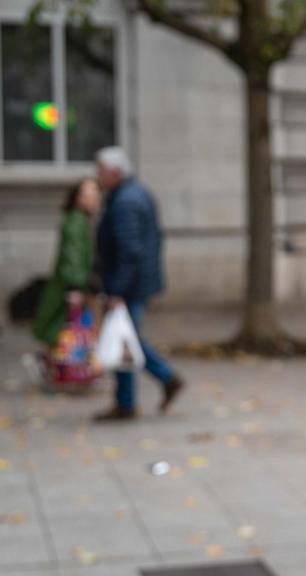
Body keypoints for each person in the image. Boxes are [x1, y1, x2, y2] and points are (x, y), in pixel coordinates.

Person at [93, 146, 185, 421]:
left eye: (100, 170)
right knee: (125, 339)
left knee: (125, 340)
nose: (97, 176)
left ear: (114, 172)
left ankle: (153, 386)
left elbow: (129, 250)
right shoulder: (132, 194)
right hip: (135, 281)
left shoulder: (125, 202)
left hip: (129, 284)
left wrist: (117, 290)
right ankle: (130, 399)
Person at [32, 179, 101, 349]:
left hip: (71, 286)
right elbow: (72, 257)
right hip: (68, 289)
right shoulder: (75, 222)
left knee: (67, 336)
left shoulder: (79, 220)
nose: (94, 199)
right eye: (88, 195)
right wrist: (74, 288)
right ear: (77, 198)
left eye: (96, 194)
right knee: (63, 336)